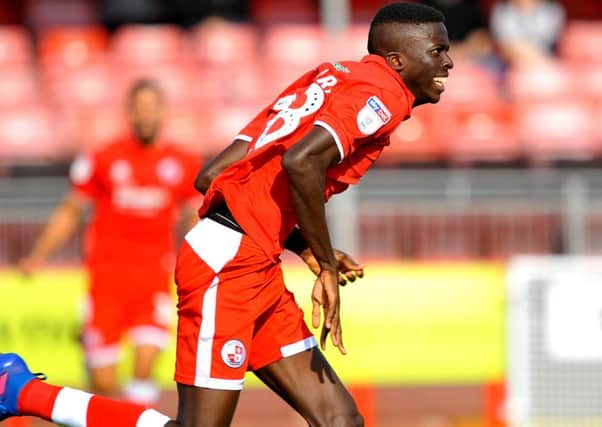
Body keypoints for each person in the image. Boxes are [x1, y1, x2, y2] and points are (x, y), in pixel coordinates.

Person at [0, 2, 453, 426]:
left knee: (340, 419)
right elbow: (302, 163)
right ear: (397, 60)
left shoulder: (332, 75)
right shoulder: (384, 93)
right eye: (438, 51)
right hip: (229, 265)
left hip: (253, 263)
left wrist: (305, 248)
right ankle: (22, 393)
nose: (448, 63)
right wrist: (324, 265)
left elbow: (214, 174)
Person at [17, 79, 202, 405]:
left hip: (153, 279)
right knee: (104, 380)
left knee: (145, 364)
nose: (146, 114)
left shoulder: (184, 162)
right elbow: (72, 210)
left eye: (152, 107)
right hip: (107, 280)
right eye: (140, 107)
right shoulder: (103, 158)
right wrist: (37, 256)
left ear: (162, 111)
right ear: (130, 111)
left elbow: (193, 216)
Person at [490, 0, 565, 66]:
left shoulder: (552, 9)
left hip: (545, 58)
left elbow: (551, 41)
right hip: (509, 61)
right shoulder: (502, 10)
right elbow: (505, 44)